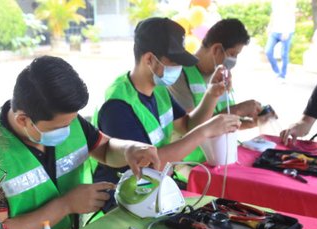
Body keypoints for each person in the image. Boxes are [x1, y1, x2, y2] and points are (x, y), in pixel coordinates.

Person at [0, 56, 161, 229]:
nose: (68, 129)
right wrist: (65, 206)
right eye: (58, 128)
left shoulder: (65, 118)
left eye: (72, 121)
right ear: (23, 120)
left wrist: (129, 149)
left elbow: (104, 149)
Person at [94, 17, 241, 186]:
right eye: (173, 62)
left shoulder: (159, 89)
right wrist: (205, 132)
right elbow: (148, 162)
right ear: (149, 59)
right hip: (128, 193)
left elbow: (187, 125)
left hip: (159, 182)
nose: (178, 69)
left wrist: (212, 94)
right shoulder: (117, 105)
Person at [169, 18, 274, 162]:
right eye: (232, 54)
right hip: (193, 163)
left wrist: (252, 122)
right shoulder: (179, 75)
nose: (234, 60)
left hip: (224, 157)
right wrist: (237, 110)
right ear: (217, 49)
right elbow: (189, 127)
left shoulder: (221, 74)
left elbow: (225, 121)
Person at [265, 0, 297, 82]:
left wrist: (287, 30)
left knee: (284, 54)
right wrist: (269, 26)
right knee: (268, 51)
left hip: (286, 31)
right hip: (275, 30)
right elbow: (274, 13)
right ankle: (277, 72)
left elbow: (291, 15)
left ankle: (282, 75)